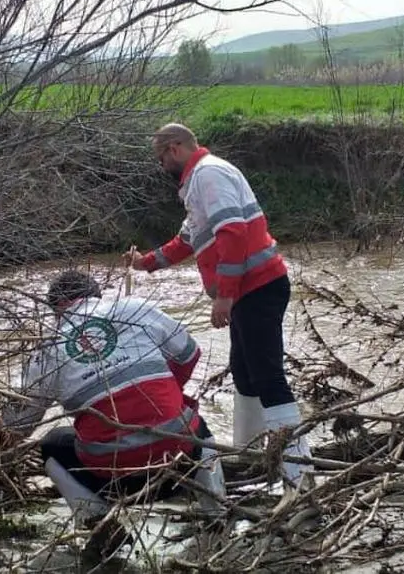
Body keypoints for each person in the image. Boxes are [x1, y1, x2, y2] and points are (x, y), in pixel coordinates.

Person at [124, 122, 313, 496]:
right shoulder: (198, 183)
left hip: (257, 287)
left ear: (175, 148)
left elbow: (233, 234)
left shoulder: (209, 175)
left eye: (162, 158)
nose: (162, 167)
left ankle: (299, 475)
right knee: (245, 374)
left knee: (268, 376)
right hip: (249, 289)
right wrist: (144, 263)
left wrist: (224, 296)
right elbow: (187, 240)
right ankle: (249, 459)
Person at [0, 270, 227, 565]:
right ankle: (216, 512)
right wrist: (167, 391)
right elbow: (189, 354)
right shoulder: (133, 308)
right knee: (192, 419)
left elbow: (18, 423)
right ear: (95, 295)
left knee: (52, 444)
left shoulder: (48, 347)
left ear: (56, 309)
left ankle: (103, 527)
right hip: (179, 464)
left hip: (114, 480)